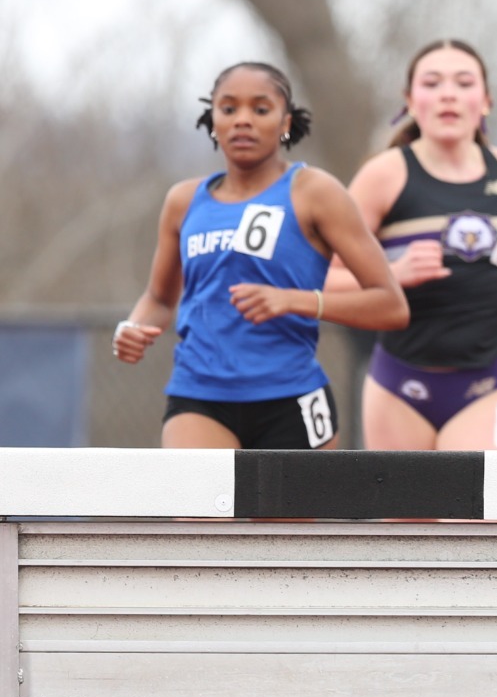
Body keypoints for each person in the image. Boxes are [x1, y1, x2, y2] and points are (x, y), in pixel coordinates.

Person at [113, 63, 408, 449]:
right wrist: (132, 328)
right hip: (199, 396)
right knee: (199, 511)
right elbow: (158, 298)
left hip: (291, 398)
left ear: (285, 123)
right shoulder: (183, 201)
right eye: (229, 109)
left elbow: (391, 306)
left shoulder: (315, 193)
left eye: (261, 109)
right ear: (212, 121)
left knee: (285, 513)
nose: (243, 121)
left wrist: (293, 301)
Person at [329, 40, 497, 451]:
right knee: (404, 517)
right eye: (432, 83)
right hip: (400, 382)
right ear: (410, 101)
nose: (448, 94)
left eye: (464, 82)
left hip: (493, 379)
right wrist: (393, 274)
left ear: (485, 100)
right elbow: (321, 277)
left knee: (478, 516)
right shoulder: (384, 175)